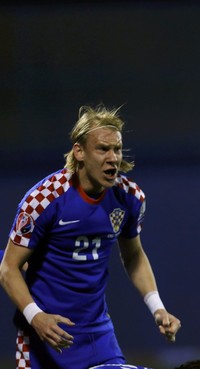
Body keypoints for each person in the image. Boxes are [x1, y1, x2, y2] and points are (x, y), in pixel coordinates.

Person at [0, 106, 181, 369]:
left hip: (98, 336)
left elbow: (134, 255)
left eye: (117, 149)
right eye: (103, 149)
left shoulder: (129, 197)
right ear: (79, 152)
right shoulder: (43, 200)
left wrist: (158, 308)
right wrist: (36, 317)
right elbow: (8, 268)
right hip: (46, 336)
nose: (113, 158)